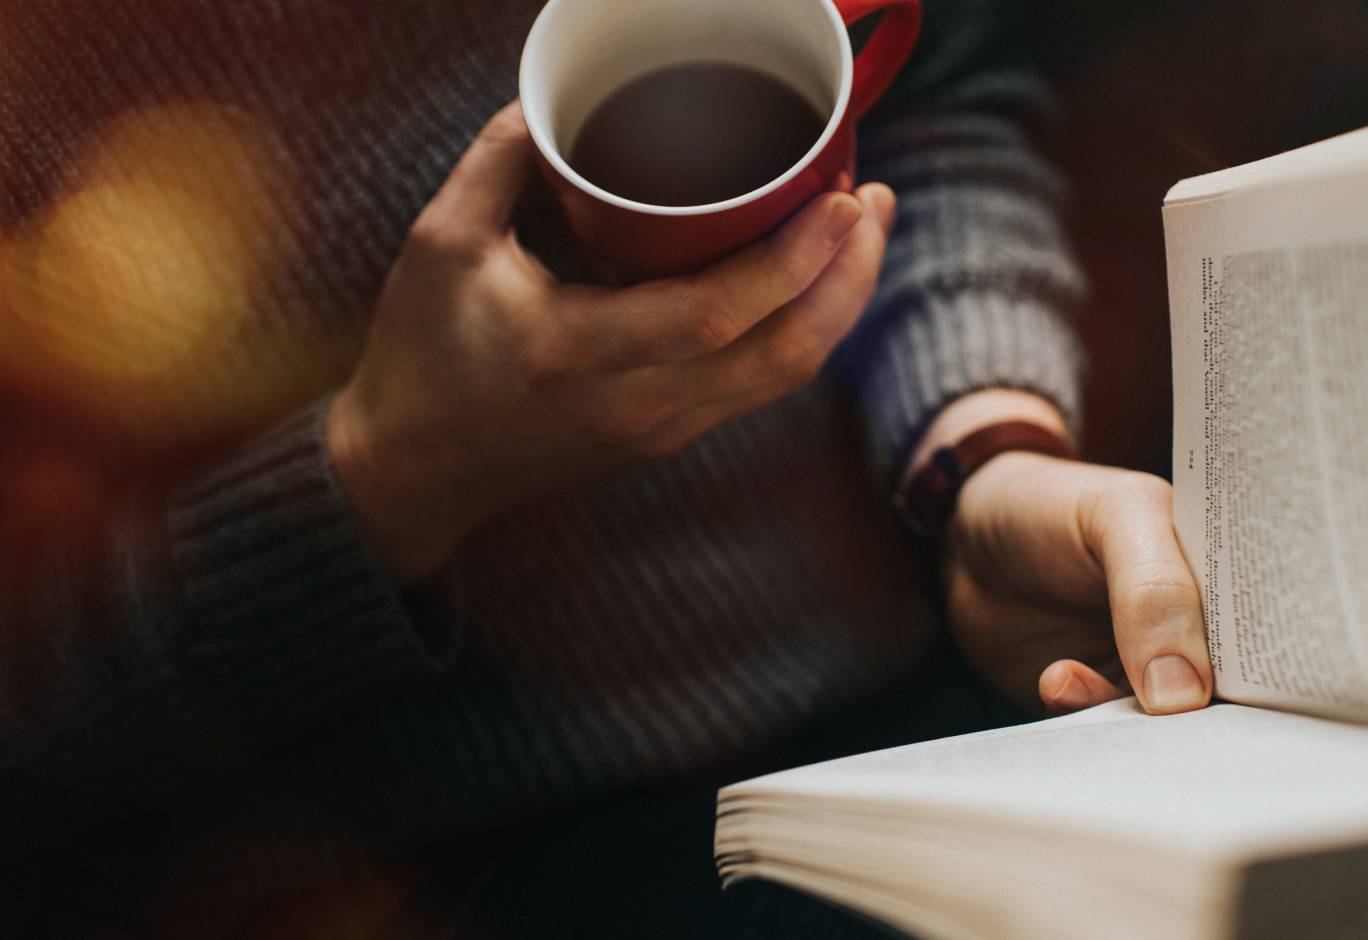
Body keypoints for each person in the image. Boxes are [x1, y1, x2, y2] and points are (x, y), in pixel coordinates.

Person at [0, 0, 1211, 933]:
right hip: (434, 867)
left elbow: (927, 91)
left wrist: (979, 458)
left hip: (934, 685)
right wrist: (391, 468)